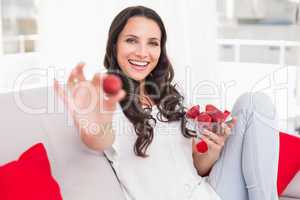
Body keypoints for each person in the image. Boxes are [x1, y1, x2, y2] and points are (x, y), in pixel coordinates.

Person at [54, 5, 300, 200]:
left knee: (254, 102)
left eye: (152, 43)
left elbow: (196, 168)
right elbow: (100, 138)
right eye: (131, 40)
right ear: (114, 44)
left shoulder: (168, 97)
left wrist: (211, 151)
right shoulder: (107, 102)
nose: (142, 52)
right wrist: (95, 123)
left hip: (209, 192)